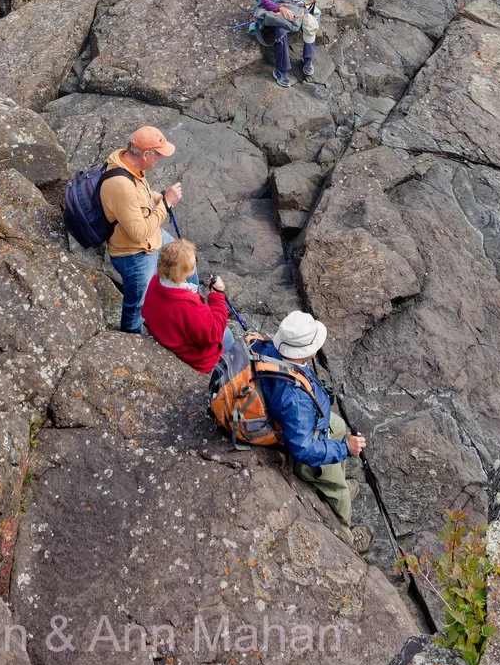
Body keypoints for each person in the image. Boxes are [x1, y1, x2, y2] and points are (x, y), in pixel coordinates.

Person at [255, 311, 371, 552]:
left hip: (312, 421)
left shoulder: (269, 348)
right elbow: (303, 447)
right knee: (340, 493)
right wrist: (346, 448)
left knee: (338, 426)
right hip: (307, 442)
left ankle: (334, 478)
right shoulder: (295, 398)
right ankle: (346, 533)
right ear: (306, 350)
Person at [100, 126, 196, 334]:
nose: (159, 160)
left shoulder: (128, 163)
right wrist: (166, 204)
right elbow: (139, 233)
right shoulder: (121, 184)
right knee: (136, 307)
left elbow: (141, 193)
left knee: (188, 262)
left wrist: (157, 198)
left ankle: (191, 305)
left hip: (151, 237)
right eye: (158, 156)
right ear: (145, 154)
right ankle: (132, 343)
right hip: (133, 253)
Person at [142, 238, 233, 372]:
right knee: (227, 335)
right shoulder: (187, 304)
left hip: (167, 338)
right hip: (196, 359)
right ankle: (229, 368)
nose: (196, 261)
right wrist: (218, 295)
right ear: (184, 272)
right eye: (193, 261)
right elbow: (213, 335)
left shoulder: (156, 281)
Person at [255, 0, 321, 88]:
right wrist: (280, 8)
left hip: (292, 2)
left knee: (310, 22)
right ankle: (281, 69)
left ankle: (307, 60)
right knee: (280, 31)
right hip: (274, 6)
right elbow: (265, 1)